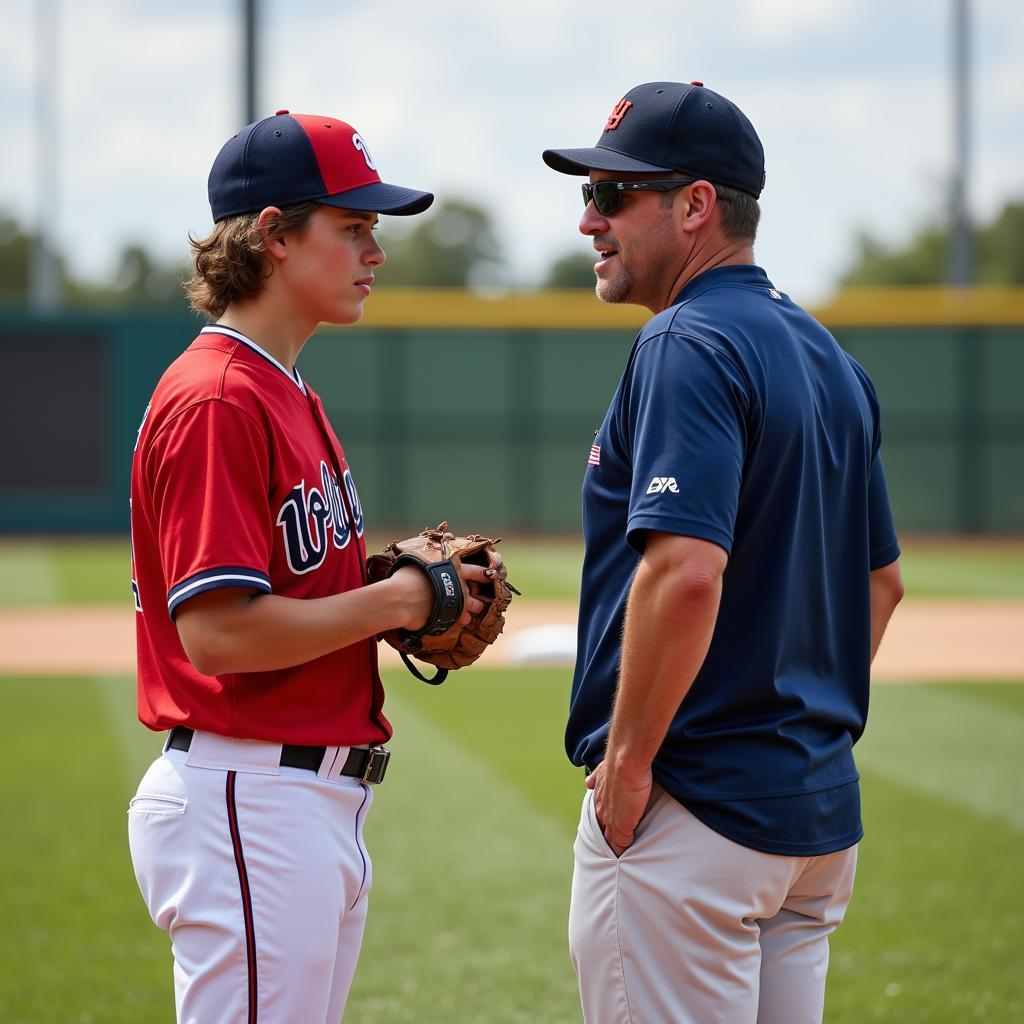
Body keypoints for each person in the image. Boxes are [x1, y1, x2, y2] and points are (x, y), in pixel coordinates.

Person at [542, 81, 905, 1024]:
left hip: (694, 817)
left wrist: (628, 764)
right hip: (811, 821)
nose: (590, 219)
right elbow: (882, 583)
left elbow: (687, 570)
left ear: (696, 205)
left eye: (616, 195)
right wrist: (786, 732)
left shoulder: (687, 340)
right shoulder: (831, 358)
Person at [127, 110, 488, 1024]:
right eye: (354, 227)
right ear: (277, 236)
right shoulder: (218, 398)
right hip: (248, 794)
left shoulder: (286, 390)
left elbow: (285, 592)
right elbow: (217, 633)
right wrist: (398, 597)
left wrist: (389, 600)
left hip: (296, 800)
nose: (376, 250)